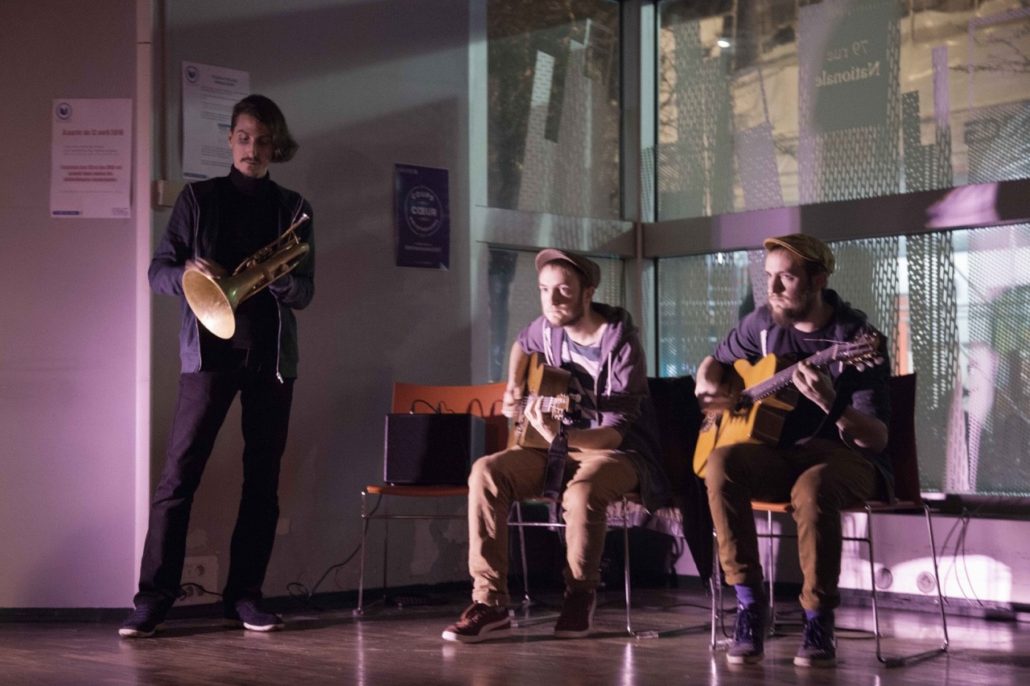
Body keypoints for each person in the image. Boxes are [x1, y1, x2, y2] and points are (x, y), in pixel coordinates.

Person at [119, 94, 315, 638]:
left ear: (275, 146)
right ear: (230, 139)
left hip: (272, 361)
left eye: (264, 141)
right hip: (208, 356)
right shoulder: (198, 199)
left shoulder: (295, 208)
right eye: (245, 138)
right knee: (178, 479)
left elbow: (306, 292)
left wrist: (282, 282)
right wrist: (188, 273)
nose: (253, 149)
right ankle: (152, 601)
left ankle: (244, 597)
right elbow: (157, 273)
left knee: (263, 483)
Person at [441, 249, 670, 643]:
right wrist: (514, 385)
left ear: (588, 292)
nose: (552, 300)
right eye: (544, 290)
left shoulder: (621, 344)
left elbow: (614, 433)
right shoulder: (548, 328)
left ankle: (580, 594)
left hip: (617, 452)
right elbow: (521, 343)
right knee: (486, 472)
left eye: (563, 290)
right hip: (555, 445)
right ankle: (490, 603)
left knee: (583, 492)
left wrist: (557, 438)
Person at [696, 234, 890, 668]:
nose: (772, 289)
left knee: (813, 487)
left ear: (818, 280)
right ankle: (749, 604)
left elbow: (876, 439)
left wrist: (830, 403)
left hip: (844, 459)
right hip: (777, 454)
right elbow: (716, 360)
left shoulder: (857, 338)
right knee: (720, 462)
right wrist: (706, 382)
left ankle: (818, 618)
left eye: (785, 278)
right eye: (768, 277)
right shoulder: (763, 324)